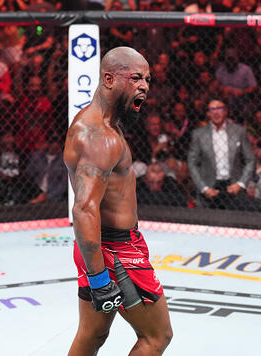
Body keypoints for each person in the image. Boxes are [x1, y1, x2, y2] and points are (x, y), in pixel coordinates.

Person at [63, 46, 172, 356]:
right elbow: (84, 208)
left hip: (100, 247)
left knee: (92, 334)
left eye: (148, 80)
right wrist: (99, 279)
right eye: (136, 78)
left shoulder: (103, 124)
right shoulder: (99, 135)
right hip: (115, 251)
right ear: (108, 79)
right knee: (157, 336)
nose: (145, 86)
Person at [188, 97, 261, 211]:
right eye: (212, 109)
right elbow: (192, 163)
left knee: (235, 221)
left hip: (233, 184)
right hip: (209, 185)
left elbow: (250, 160)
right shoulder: (199, 134)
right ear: (208, 113)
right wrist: (203, 187)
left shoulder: (239, 132)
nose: (216, 112)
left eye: (219, 108)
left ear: (226, 111)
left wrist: (241, 184)